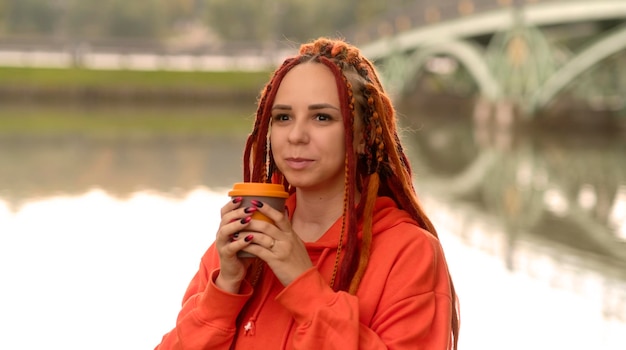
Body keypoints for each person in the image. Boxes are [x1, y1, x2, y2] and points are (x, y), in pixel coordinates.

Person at [155, 37, 460, 349]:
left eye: (322, 117)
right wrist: (224, 289)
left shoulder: (408, 252)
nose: (297, 136)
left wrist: (304, 286)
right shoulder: (243, 241)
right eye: (283, 117)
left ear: (363, 136)